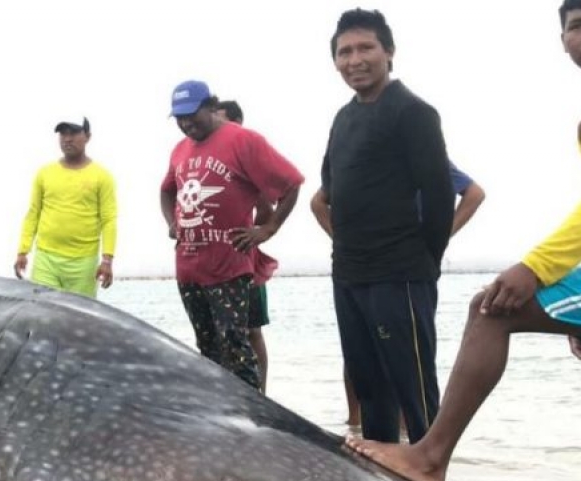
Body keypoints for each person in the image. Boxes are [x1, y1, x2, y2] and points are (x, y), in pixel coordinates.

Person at [347, 0, 581, 481]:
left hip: (404, 267)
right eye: (579, 26)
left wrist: (538, 267)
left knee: (492, 311)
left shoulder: (411, 114)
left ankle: (428, 457)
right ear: (564, 41)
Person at [316, 9, 455, 444]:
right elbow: (331, 192)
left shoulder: (414, 113)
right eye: (344, 52)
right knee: (370, 389)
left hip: (400, 274)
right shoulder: (343, 118)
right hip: (350, 273)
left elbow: (438, 197)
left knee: (414, 391)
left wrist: (423, 263)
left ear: (388, 52)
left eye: (365, 48)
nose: (354, 59)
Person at [312, 162, 488, 427]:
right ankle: (355, 422)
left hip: (409, 268)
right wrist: (342, 241)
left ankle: (412, 428)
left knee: (408, 349)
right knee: (359, 349)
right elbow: (317, 202)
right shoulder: (357, 158)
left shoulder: (425, 156)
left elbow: (475, 194)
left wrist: (441, 235)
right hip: (359, 267)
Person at [160, 81, 303, 390]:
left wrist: (268, 228)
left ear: (211, 106)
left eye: (192, 115)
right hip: (188, 268)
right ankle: (218, 423)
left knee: (236, 348)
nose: (186, 124)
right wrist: (173, 222)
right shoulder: (180, 150)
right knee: (207, 351)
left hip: (228, 268)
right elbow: (166, 191)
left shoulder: (243, 140)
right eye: (179, 118)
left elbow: (291, 184)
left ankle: (253, 422)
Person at [211, 99, 277, 393]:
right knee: (221, 333)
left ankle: (261, 393)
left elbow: (266, 208)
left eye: (222, 121)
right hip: (214, 262)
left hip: (246, 261)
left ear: (237, 122)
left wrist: (257, 233)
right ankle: (228, 390)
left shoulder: (247, 158)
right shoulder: (214, 159)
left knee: (251, 330)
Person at [14, 116, 118, 298]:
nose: (67, 139)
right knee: (42, 313)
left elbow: (109, 219)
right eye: (63, 133)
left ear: (88, 136)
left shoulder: (102, 176)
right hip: (46, 259)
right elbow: (33, 213)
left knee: (80, 319)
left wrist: (107, 260)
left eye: (74, 133)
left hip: (83, 263)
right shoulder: (44, 173)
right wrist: (23, 251)